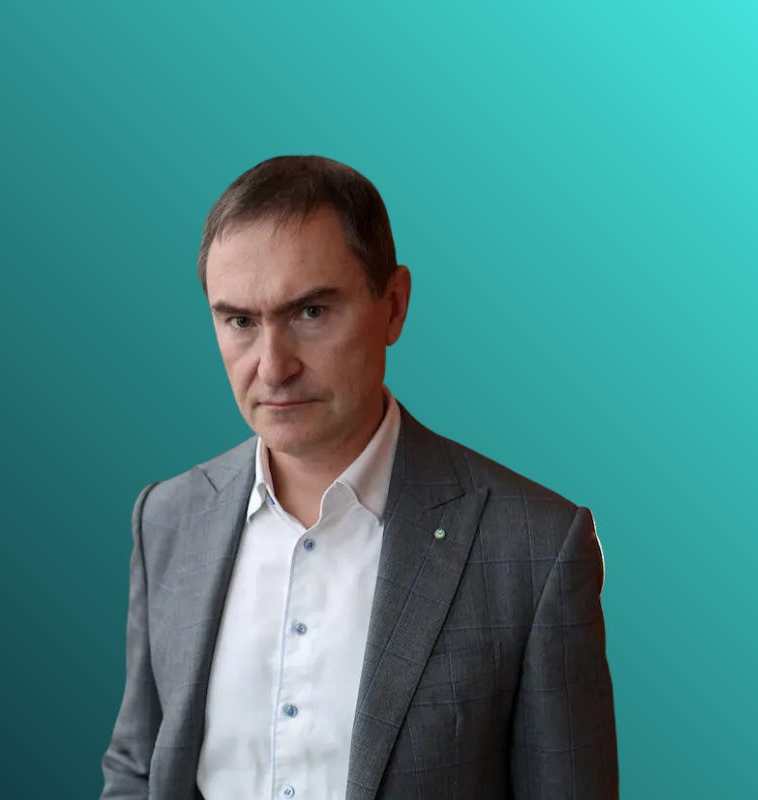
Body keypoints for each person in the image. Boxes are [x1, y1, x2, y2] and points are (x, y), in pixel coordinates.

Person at [101, 155, 618, 800]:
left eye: (311, 312)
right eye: (240, 321)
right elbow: (139, 769)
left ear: (393, 306)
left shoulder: (534, 548)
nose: (273, 367)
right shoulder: (168, 518)